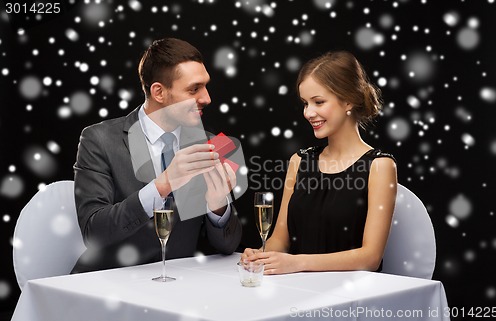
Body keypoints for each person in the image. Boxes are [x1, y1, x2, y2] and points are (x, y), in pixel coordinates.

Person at [72, 37, 242, 273]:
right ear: (159, 92)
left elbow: (228, 245)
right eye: (194, 89)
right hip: (109, 286)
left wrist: (217, 207)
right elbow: (94, 233)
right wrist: (162, 185)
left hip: (177, 289)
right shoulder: (99, 140)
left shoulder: (208, 143)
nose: (206, 98)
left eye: (205, 86)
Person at [241, 51, 397, 274]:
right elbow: (280, 241)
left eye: (318, 102)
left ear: (348, 100)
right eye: (305, 103)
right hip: (299, 290)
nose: (308, 113)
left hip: (353, 297)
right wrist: (260, 254)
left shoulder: (380, 166)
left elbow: (370, 257)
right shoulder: (299, 161)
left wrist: (298, 263)